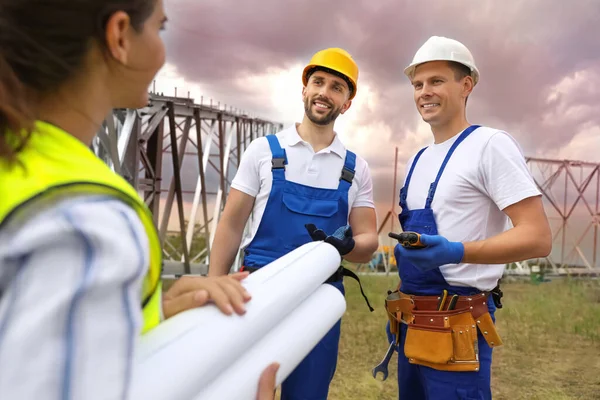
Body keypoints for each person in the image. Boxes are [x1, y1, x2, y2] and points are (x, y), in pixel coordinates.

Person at [0, 0, 277, 399]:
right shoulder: (88, 219)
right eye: (159, 29)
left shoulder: (23, 165)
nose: (163, 50)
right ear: (119, 37)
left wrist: (149, 313)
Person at [384, 36, 552, 400]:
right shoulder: (417, 160)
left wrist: (455, 251)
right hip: (410, 322)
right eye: (417, 84)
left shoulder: (490, 145)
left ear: (466, 85)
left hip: (457, 325)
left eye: (436, 81)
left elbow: (538, 237)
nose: (424, 92)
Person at [208, 47, 379, 399]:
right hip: (258, 290)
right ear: (304, 89)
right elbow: (231, 224)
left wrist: (347, 246)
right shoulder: (263, 151)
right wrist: (213, 285)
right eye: (318, 82)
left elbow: (368, 240)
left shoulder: (355, 168)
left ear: (346, 103)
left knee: (309, 392)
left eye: (336, 87)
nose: (324, 92)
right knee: (244, 390)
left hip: (321, 298)